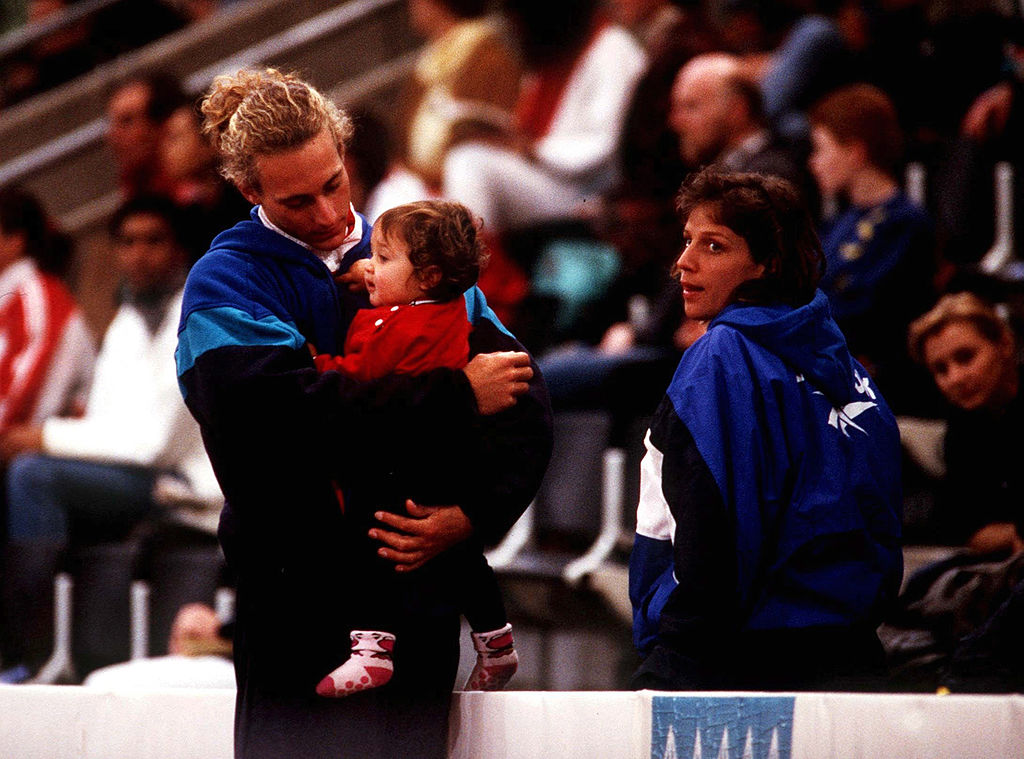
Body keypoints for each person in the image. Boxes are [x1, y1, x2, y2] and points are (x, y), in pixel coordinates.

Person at [175, 67, 551, 758]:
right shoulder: (225, 281)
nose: (327, 214)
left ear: (346, 156)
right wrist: (452, 395)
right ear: (248, 191)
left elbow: (523, 407)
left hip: (412, 597)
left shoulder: (419, 259)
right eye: (296, 200)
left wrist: (473, 515)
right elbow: (280, 419)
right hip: (293, 606)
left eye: (334, 184)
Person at [629, 168, 903, 692]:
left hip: (736, 658)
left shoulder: (721, 356)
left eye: (713, 246)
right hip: (854, 657)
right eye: (687, 240)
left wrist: (675, 655)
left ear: (767, 263)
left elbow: (710, 521)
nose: (683, 262)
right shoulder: (852, 372)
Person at [0, 194, 219, 680]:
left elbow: (155, 444)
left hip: (180, 481)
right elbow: (105, 424)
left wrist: (47, 436)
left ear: (180, 249)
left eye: (153, 241)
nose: (139, 254)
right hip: (130, 476)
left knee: (35, 476)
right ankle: (34, 648)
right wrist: (47, 438)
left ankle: (34, 655)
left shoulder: (201, 313)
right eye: (127, 242)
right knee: (23, 471)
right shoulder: (124, 321)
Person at [311, 200, 517, 697]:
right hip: (446, 459)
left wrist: (316, 364)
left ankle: (373, 650)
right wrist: (375, 274)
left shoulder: (403, 325)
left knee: (370, 540)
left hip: (406, 461)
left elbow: (361, 373)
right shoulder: (438, 307)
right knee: (463, 558)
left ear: (426, 275)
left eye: (382, 258)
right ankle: (496, 642)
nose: (369, 268)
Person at [808, 82, 936, 414]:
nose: (813, 162)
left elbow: (865, 310)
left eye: (821, 149)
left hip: (875, 384)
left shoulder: (904, 221)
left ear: (854, 151)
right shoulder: (841, 219)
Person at [907, 292, 1024, 554]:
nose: (955, 378)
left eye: (966, 357)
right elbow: (966, 528)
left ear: (1004, 343)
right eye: (941, 369)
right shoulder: (964, 427)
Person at [0, 185, 95, 440]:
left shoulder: (37, 296)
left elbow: (29, 397)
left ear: (14, 241)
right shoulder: (10, 299)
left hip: (52, 446)